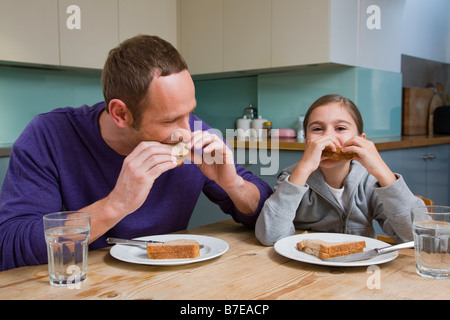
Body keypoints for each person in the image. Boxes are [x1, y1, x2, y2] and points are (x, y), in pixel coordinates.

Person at [0, 35, 272, 271]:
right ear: (121, 113)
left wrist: (233, 184)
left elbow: (269, 216)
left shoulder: (196, 131)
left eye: (189, 112)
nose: (186, 130)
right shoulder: (49, 134)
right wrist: (114, 205)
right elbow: (10, 245)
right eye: (169, 120)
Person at [255, 94, 422, 246]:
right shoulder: (292, 178)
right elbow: (269, 236)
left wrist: (383, 172)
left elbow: (417, 238)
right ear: (306, 141)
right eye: (317, 129)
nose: (328, 139)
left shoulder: (371, 182)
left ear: (360, 140)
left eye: (340, 128)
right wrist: (303, 169)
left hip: (359, 266)